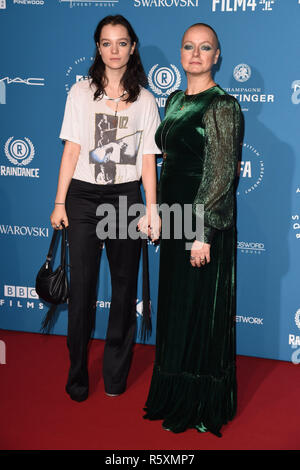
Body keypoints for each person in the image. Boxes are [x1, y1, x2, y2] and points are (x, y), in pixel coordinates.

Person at [49, 15, 161, 402]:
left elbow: (148, 158)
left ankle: (115, 376)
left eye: (122, 42)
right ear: (98, 48)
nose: (114, 50)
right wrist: (59, 201)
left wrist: (152, 209)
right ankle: (77, 375)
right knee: (81, 291)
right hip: (82, 197)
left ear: (133, 46)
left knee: (124, 287)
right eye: (107, 43)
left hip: (125, 198)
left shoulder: (146, 100)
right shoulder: (80, 93)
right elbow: (72, 150)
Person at [143, 23, 242, 437]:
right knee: (178, 308)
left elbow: (220, 174)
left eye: (205, 48)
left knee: (202, 310)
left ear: (217, 55)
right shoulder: (174, 99)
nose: (196, 54)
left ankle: (199, 400)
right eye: (189, 47)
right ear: (181, 54)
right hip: (174, 215)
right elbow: (167, 159)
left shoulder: (223, 105)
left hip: (204, 224)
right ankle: (173, 391)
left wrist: (202, 232)